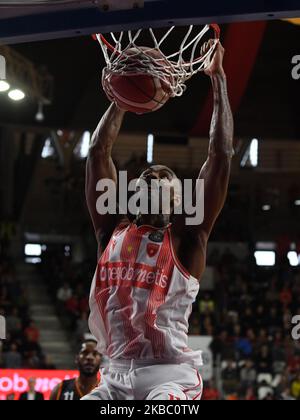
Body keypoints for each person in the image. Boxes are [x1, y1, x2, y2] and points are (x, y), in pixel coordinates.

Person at [83, 40, 233, 400]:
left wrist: (219, 80)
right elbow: (97, 151)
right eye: (147, 175)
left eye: (164, 176)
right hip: (116, 375)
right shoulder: (111, 233)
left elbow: (221, 154)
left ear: (178, 200)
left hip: (170, 375)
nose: (153, 176)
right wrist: (123, 97)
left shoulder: (187, 241)